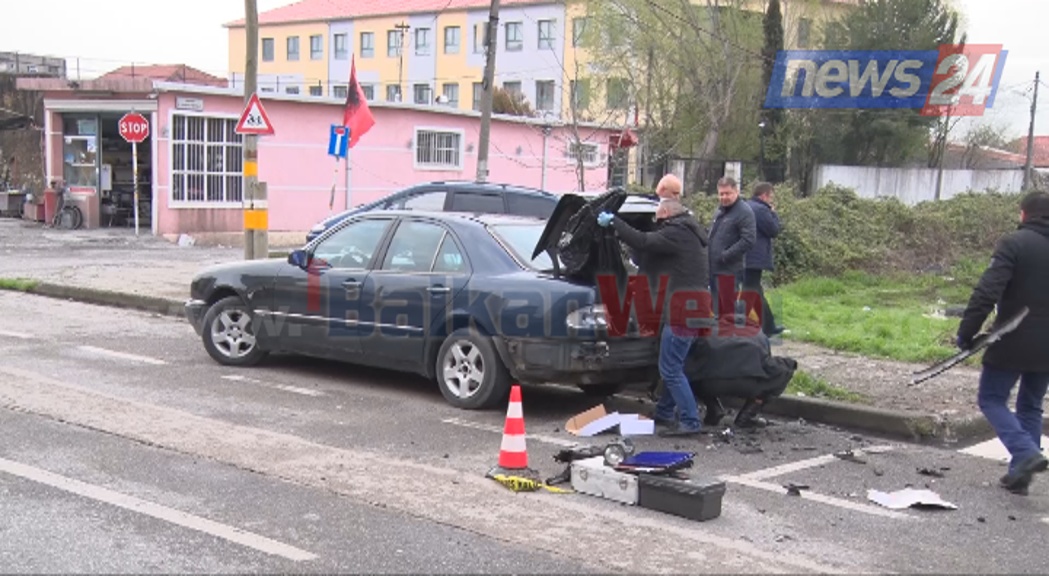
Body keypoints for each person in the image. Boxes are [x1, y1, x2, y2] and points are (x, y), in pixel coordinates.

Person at [956, 191, 1049, 496]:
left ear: (1024, 214)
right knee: (1030, 405)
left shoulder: (1014, 244)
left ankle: (1025, 452)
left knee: (991, 398)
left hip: (1013, 336)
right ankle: (1020, 475)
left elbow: (988, 291)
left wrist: (967, 332)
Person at [597, 197, 710, 436]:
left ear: (667, 213)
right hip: (694, 308)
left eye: (658, 217)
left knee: (669, 368)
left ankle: (690, 421)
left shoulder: (676, 232)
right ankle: (665, 412)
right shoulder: (690, 233)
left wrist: (615, 222)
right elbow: (646, 254)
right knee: (674, 365)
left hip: (683, 311)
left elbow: (643, 240)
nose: (657, 222)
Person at [707, 177, 756, 325]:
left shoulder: (744, 211)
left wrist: (725, 255)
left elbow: (748, 240)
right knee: (717, 311)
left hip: (729, 271)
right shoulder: (721, 211)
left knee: (728, 312)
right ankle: (719, 340)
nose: (724, 197)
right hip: (713, 269)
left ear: (736, 191)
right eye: (721, 194)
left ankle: (731, 340)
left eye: (727, 193)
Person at [743, 182, 785, 336]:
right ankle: (746, 324)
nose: (771, 200)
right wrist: (773, 213)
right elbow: (773, 230)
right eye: (771, 196)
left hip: (746, 256)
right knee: (751, 290)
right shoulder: (761, 209)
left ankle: (769, 326)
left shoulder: (746, 206)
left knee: (755, 290)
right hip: (755, 257)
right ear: (764, 195)